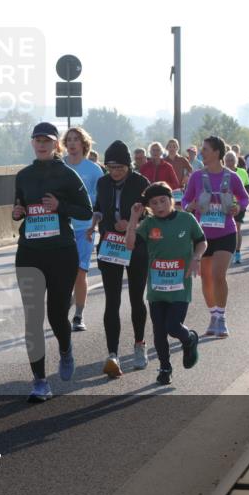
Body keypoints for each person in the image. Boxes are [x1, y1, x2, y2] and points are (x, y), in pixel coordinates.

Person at [13, 122, 93, 402]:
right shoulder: (23, 176)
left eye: (47, 140)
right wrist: (17, 211)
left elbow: (86, 211)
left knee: (57, 315)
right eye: (37, 139)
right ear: (32, 143)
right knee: (32, 318)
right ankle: (39, 381)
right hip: (29, 252)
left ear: (56, 144)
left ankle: (66, 348)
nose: (41, 144)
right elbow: (19, 206)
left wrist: (61, 207)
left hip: (61, 252)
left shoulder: (67, 175)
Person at [125, 182, 204, 386]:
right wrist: (134, 218)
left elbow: (201, 241)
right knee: (159, 331)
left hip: (179, 287)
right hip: (157, 289)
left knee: (173, 327)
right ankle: (165, 367)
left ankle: (189, 339)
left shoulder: (186, 219)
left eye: (163, 200)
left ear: (171, 200)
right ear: (149, 206)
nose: (160, 205)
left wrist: (196, 258)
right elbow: (130, 244)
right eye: (154, 203)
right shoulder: (149, 224)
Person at [89, 141, 150, 377]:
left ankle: (139, 344)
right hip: (110, 245)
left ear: (128, 166)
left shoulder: (141, 183)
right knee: (112, 300)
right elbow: (98, 208)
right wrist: (94, 225)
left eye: (120, 168)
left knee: (136, 298)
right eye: (111, 167)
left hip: (136, 246)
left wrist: (132, 224)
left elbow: (152, 214)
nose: (115, 172)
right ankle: (112, 354)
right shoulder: (103, 182)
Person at [182, 137, 249, 338]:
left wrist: (239, 207)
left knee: (219, 275)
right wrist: (188, 207)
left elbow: (245, 197)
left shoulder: (232, 177)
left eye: (205, 149)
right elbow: (186, 198)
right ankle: (213, 315)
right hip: (202, 235)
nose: (202, 152)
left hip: (225, 232)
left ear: (217, 153)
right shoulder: (196, 177)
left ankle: (221, 317)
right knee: (207, 279)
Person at [64, 127, 105, 331]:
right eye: (69, 139)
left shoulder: (93, 170)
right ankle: (65, 305)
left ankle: (78, 315)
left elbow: (100, 201)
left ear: (83, 144)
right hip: (61, 227)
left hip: (85, 228)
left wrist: (95, 221)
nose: (72, 143)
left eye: (76, 140)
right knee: (63, 274)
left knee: (80, 272)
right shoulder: (59, 166)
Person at [224, 150, 249, 264]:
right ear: (224, 161)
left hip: (238, 205)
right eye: (227, 160)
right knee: (226, 229)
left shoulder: (242, 172)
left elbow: (247, 188)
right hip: (224, 206)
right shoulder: (221, 172)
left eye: (232, 160)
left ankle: (238, 252)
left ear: (236, 161)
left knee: (237, 228)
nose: (229, 162)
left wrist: (242, 203)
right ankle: (228, 251)